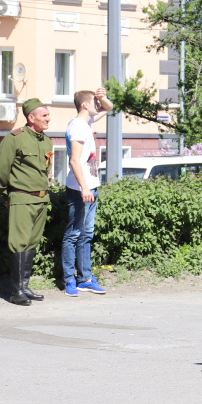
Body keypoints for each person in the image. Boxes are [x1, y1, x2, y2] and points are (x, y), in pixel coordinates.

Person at [0, 98, 54, 306]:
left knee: (31, 242)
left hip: (41, 198)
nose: (48, 119)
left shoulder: (46, 141)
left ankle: (25, 287)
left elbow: (45, 170)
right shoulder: (15, 138)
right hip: (21, 197)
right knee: (19, 242)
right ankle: (15, 291)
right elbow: (1, 170)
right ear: (31, 117)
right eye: (44, 115)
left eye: (47, 115)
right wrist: (6, 194)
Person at [63, 87, 112, 296]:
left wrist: (102, 97)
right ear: (85, 104)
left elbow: (109, 108)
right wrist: (84, 187)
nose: (97, 105)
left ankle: (85, 279)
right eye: (94, 101)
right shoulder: (77, 127)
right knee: (73, 235)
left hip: (91, 187)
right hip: (79, 189)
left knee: (86, 234)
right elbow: (74, 160)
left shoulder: (86, 123)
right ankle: (69, 281)